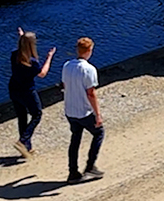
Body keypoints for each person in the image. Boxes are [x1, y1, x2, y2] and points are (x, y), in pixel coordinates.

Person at [62, 36, 103, 183]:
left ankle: (73, 171)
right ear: (89, 51)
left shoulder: (67, 66)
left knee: (75, 139)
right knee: (98, 133)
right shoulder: (89, 69)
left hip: (70, 110)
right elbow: (91, 93)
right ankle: (90, 166)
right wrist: (97, 115)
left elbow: (65, 85)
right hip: (84, 111)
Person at [10, 28, 54, 158]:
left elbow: (22, 45)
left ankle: (26, 148)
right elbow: (42, 74)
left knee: (22, 117)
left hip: (13, 89)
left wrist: (22, 36)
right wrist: (49, 57)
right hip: (27, 91)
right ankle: (23, 141)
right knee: (37, 114)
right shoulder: (32, 62)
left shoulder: (15, 55)